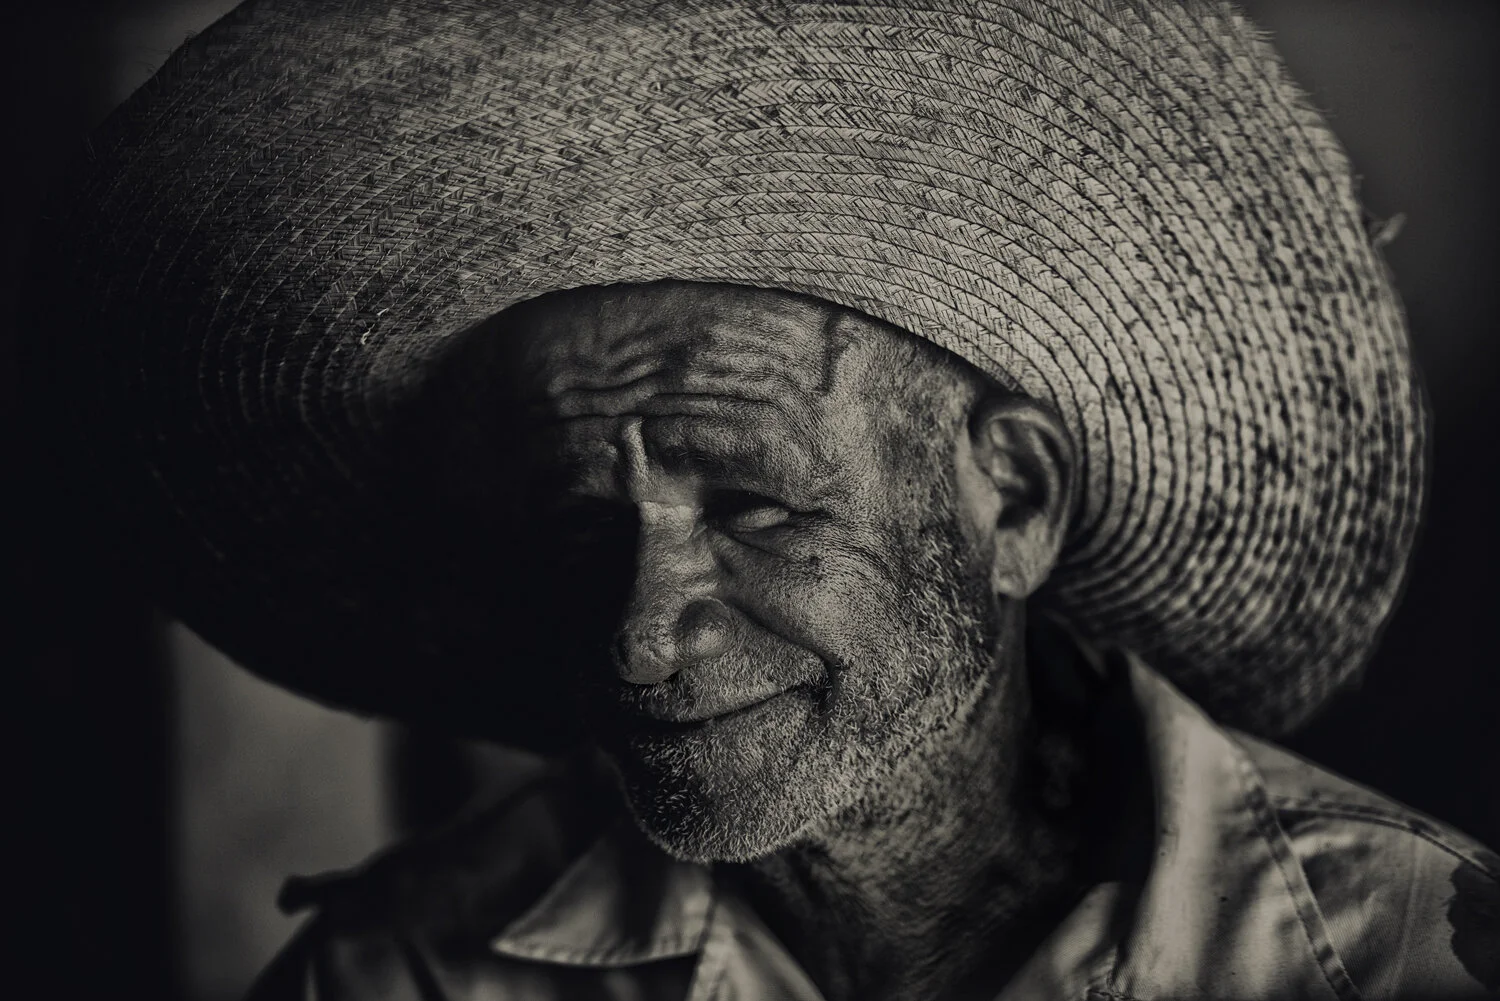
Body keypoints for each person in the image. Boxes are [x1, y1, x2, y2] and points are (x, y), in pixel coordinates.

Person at [19, 0, 1498, 998]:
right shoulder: (410, 971)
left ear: (1018, 503)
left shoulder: (1401, 957)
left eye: (754, 511)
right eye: (588, 530)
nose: (637, 643)